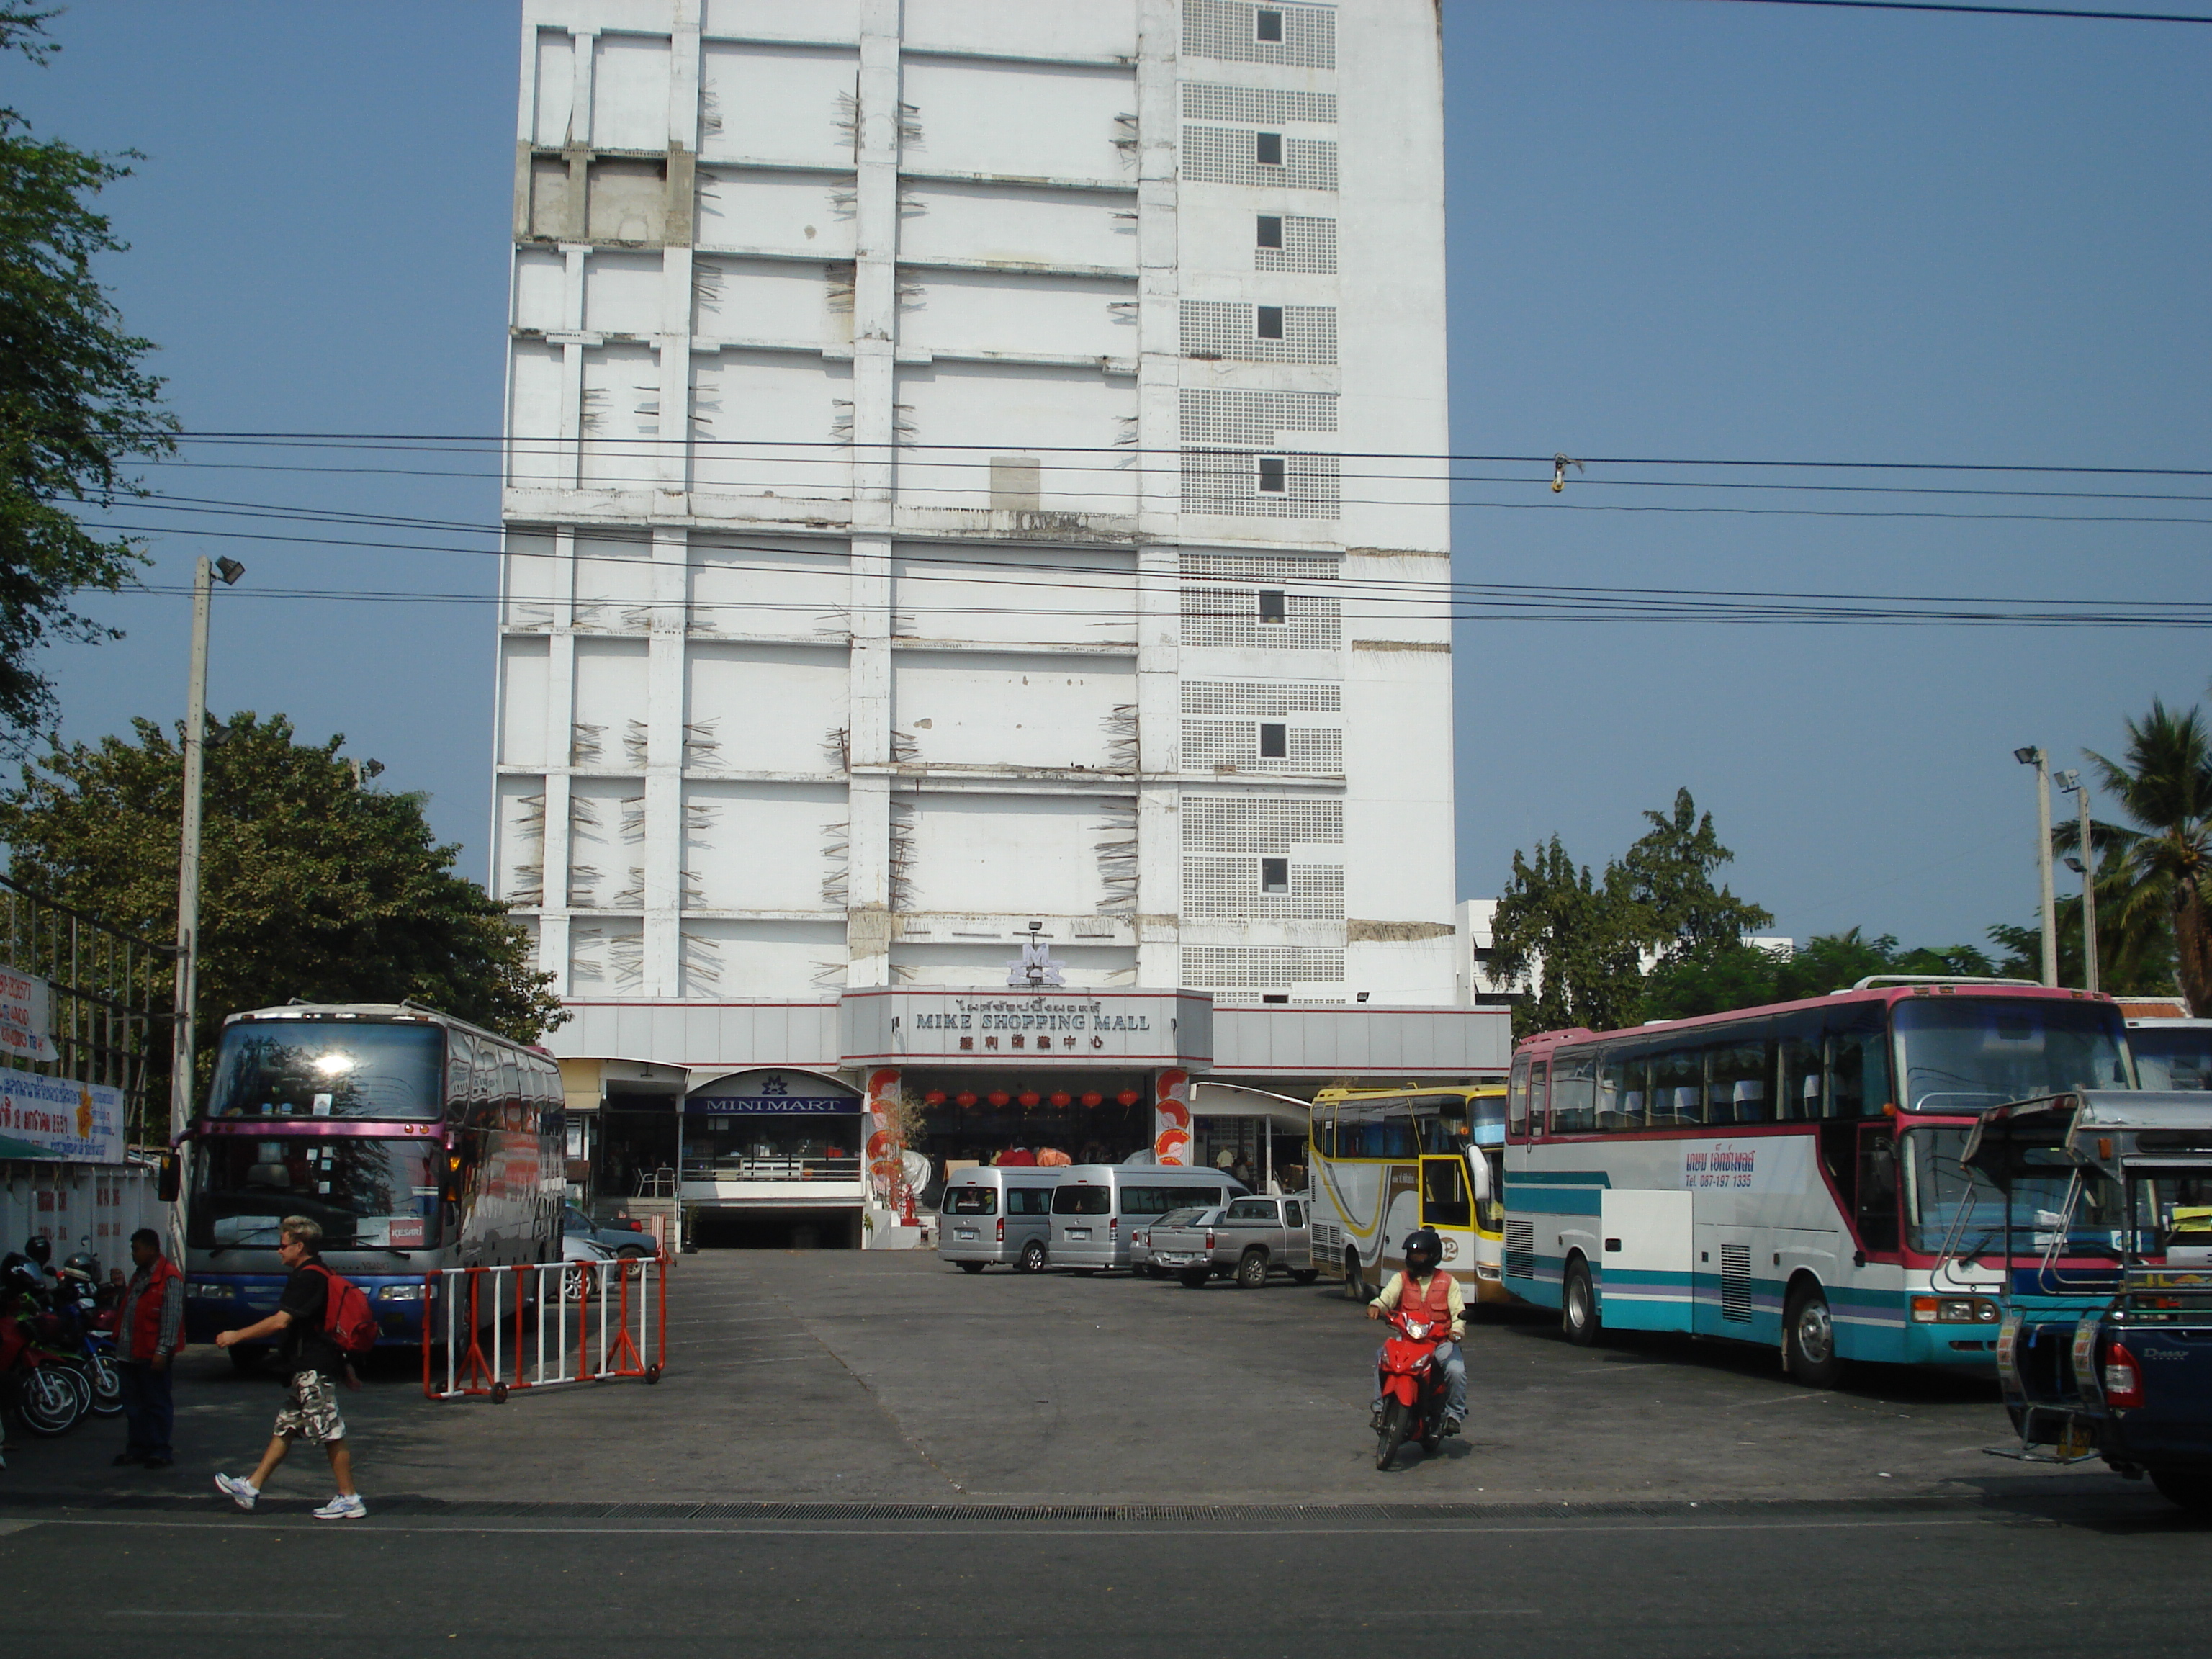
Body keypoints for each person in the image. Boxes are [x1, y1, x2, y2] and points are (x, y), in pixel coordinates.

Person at [211, 1216, 367, 1519]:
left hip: (312, 1368)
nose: (278, 1252)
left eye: (282, 1246)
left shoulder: (309, 1277)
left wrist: (236, 1336)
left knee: (331, 1432)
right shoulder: (317, 1272)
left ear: (299, 1246)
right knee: (286, 1427)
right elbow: (325, 1326)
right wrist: (344, 1365)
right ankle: (252, 1486)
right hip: (307, 1367)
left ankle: (350, 1497)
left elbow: (281, 1321)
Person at [1366, 1226, 1466, 1436]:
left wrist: (1456, 1331)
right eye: (1412, 1254)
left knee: (1456, 1371)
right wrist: (1377, 1306)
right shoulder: (1401, 1279)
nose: (1415, 1258)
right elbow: (1387, 1298)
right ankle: (1379, 1409)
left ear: (1432, 1256)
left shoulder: (1449, 1282)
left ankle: (1453, 1415)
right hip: (1408, 1341)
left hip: (1440, 1342)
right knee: (1380, 1359)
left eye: (1420, 1254)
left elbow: (1458, 1312)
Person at [113, 1227, 184, 1469]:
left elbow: (171, 1319)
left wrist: (163, 1351)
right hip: (129, 1353)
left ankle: (159, 1450)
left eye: (137, 1249)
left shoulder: (169, 1277)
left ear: (152, 1250)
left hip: (151, 1354)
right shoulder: (140, 1276)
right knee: (134, 1405)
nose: (133, 1254)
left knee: (156, 1403)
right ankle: (138, 1448)